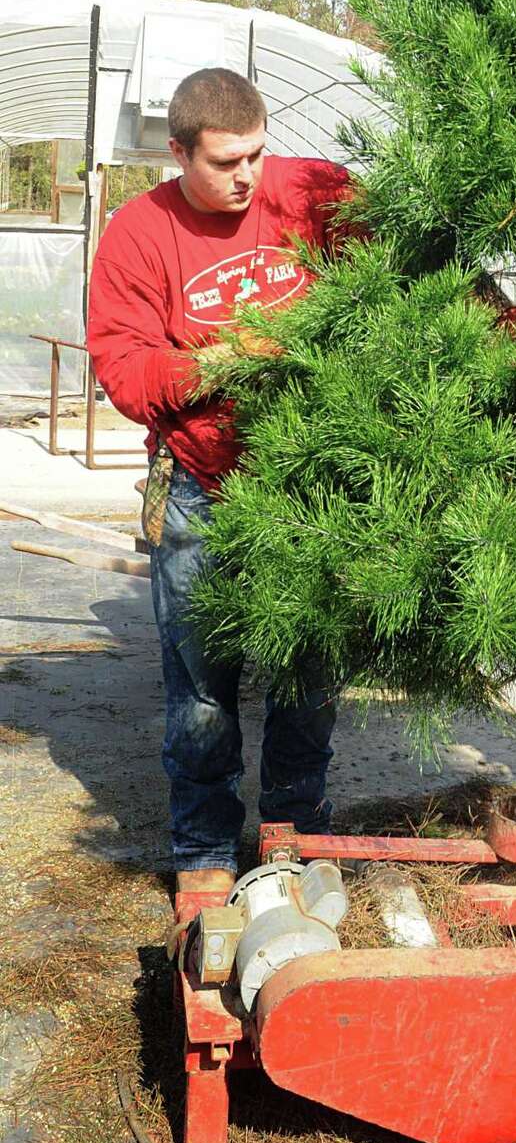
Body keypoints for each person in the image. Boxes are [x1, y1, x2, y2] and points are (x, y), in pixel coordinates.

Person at [87, 68, 353, 898]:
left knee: (311, 680)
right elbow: (125, 373)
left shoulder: (313, 192)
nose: (249, 176)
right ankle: (202, 851)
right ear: (178, 152)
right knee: (202, 689)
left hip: (313, 484)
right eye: (228, 161)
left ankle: (291, 837)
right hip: (204, 485)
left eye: (258, 154)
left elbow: (418, 258)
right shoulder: (139, 234)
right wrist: (228, 358)